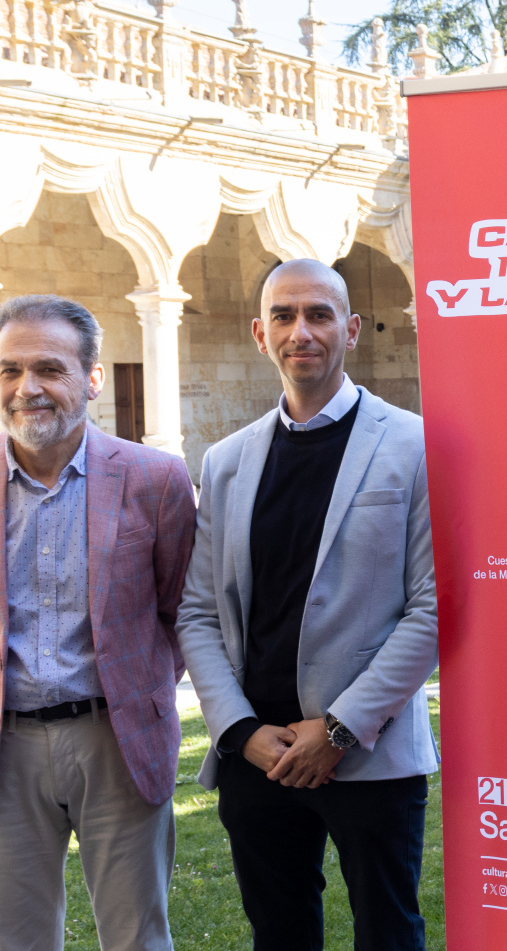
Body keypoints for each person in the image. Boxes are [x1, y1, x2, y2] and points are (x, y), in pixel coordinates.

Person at [0, 295, 196, 951]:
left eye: (48, 368)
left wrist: (132, 686)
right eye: (10, 370)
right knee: (17, 941)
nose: (26, 388)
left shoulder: (156, 480)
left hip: (116, 741)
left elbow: (183, 611)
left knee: (137, 939)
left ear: (92, 379)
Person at [177, 259, 439, 950]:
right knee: (280, 935)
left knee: (390, 933)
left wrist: (342, 729)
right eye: (286, 317)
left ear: (350, 330)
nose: (304, 332)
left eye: (320, 314)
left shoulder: (413, 444)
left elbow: (432, 609)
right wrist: (239, 730)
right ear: (262, 335)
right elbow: (198, 612)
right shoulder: (226, 460)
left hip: (369, 754)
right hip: (258, 755)